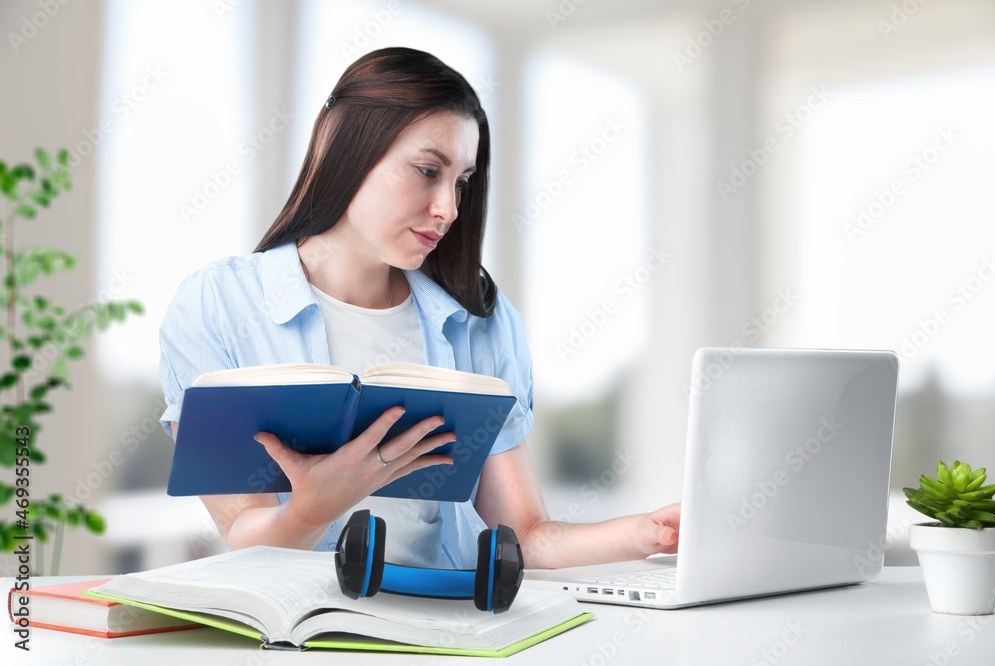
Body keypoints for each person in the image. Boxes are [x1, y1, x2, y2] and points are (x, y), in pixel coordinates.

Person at [159, 47, 680, 570]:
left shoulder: (478, 322)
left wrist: (642, 534)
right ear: (346, 150)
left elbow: (522, 534)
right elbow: (243, 539)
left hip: (438, 633)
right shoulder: (218, 306)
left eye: (462, 182)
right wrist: (313, 508)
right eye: (428, 170)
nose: (449, 209)